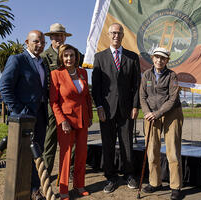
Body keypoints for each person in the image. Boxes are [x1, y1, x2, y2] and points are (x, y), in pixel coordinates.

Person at [91, 23, 141, 193]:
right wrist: (98, 106)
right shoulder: (99, 57)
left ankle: (129, 175)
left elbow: (136, 85)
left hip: (127, 109)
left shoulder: (132, 57)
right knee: (108, 144)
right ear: (108, 34)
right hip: (106, 109)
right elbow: (96, 87)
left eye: (119, 33)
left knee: (127, 143)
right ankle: (110, 177)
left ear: (123, 35)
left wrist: (135, 105)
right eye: (113, 33)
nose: (116, 36)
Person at [0, 30, 48, 200]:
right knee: (21, 157)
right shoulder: (17, 60)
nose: (40, 45)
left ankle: (34, 190)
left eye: (42, 42)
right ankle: (18, 192)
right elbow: (4, 87)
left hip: (40, 117)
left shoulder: (43, 63)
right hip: (22, 120)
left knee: (37, 156)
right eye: (36, 42)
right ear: (27, 42)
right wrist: (20, 112)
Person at [139, 47, 184, 200]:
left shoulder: (172, 75)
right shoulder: (146, 75)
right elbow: (142, 97)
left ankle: (176, 187)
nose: (159, 60)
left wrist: (157, 113)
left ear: (167, 61)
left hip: (172, 114)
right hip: (151, 115)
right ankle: (155, 182)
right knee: (151, 152)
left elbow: (172, 99)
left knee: (172, 152)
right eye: (157, 57)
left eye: (163, 58)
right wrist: (147, 113)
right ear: (152, 58)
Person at [49, 44, 92, 199]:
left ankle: (80, 185)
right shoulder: (56, 74)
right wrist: (62, 121)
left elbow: (86, 96)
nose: (69, 58)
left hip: (83, 120)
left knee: (81, 154)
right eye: (66, 55)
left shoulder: (83, 72)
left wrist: (90, 116)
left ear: (76, 57)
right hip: (66, 121)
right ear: (61, 57)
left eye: (71, 55)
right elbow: (53, 101)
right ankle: (64, 189)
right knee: (66, 156)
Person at [41, 23, 84, 176]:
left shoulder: (73, 52)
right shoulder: (45, 56)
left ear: (65, 37)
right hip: (54, 102)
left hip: (72, 103)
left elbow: (84, 65)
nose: (58, 38)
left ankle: (71, 169)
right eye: (55, 35)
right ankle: (46, 170)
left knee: (72, 140)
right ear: (51, 37)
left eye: (61, 35)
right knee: (51, 138)